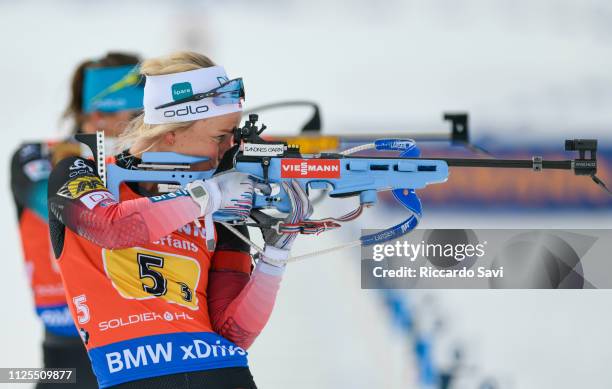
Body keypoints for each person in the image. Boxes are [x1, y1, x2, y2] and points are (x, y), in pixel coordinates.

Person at [47, 51, 312, 389]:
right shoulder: (81, 173)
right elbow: (112, 228)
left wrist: (275, 255)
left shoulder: (221, 205)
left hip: (223, 375)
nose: (228, 150)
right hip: (131, 376)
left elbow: (234, 333)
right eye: (220, 137)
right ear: (170, 132)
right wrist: (206, 197)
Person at [10, 52, 143, 388]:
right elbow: (68, 209)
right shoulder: (36, 156)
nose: (128, 125)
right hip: (66, 356)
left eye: (140, 114)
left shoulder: (160, 165)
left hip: (143, 344)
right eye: (117, 113)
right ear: (91, 112)